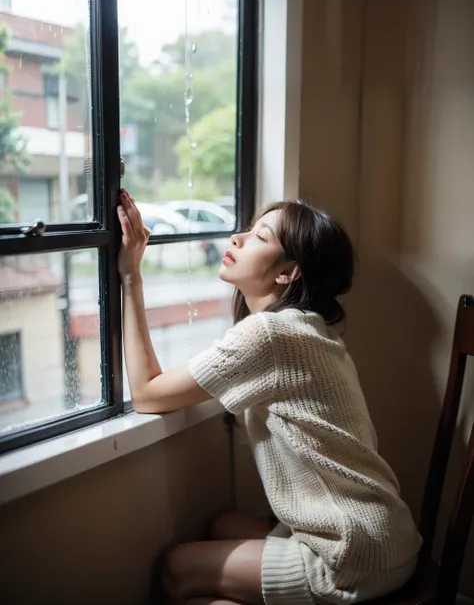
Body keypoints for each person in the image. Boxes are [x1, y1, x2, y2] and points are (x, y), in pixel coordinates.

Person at [117, 188, 422, 605]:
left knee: (177, 570)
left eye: (260, 238)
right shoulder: (310, 327)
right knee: (223, 525)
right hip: (388, 533)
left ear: (288, 273)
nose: (237, 239)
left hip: (352, 554)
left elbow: (148, 395)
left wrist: (132, 273)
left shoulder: (271, 334)